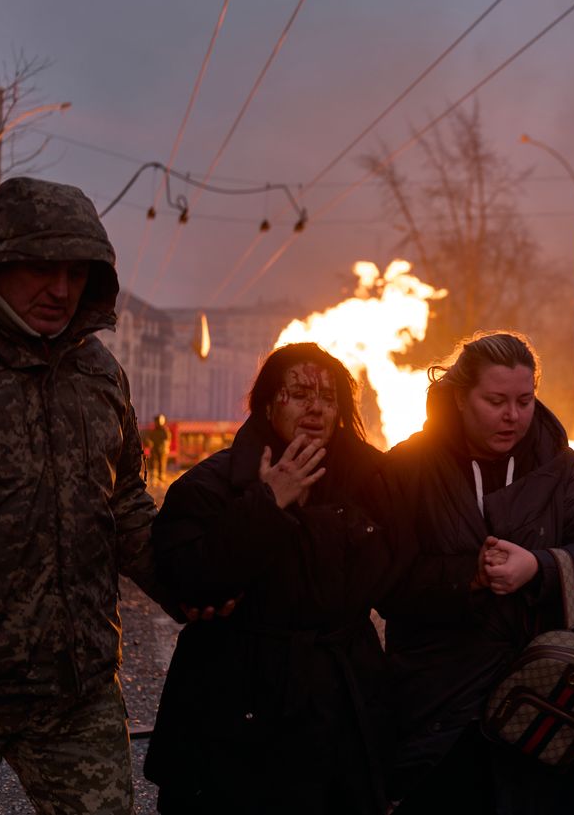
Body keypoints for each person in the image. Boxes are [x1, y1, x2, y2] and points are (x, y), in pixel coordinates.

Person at [0, 177, 170, 814]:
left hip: (74, 689)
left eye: (77, 272)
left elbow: (125, 501)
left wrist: (197, 583)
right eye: (43, 268)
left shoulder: (97, 370)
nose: (62, 290)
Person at [143, 342, 410, 814]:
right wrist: (267, 504)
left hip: (342, 707)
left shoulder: (374, 483)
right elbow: (190, 579)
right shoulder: (211, 486)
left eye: (328, 397)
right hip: (238, 711)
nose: (315, 407)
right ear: (268, 403)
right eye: (300, 393)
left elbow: (403, 577)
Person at [381, 331, 574, 815]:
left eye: (525, 400)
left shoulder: (558, 463)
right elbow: (385, 581)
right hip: (439, 698)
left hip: (538, 696)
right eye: (495, 401)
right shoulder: (407, 467)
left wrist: (540, 566)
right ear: (460, 397)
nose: (513, 416)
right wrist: (469, 576)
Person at [147, 413, 171, 482]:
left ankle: (161, 477)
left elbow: (167, 439)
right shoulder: (154, 430)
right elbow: (150, 438)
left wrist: (165, 447)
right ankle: (154, 477)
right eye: (155, 421)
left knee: (162, 463)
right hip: (155, 449)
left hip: (162, 450)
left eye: (157, 421)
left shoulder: (165, 430)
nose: (155, 423)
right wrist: (149, 442)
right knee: (154, 462)